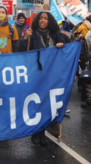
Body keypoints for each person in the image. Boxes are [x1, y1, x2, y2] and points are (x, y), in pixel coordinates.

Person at [21, 12, 65, 145]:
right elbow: (21, 52)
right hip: (36, 75)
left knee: (46, 105)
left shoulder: (54, 35)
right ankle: (36, 132)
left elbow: (66, 44)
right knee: (36, 104)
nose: (42, 20)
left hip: (50, 76)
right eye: (40, 18)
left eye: (45, 19)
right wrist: (25, 39)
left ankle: (43, 132)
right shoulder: (31, 35)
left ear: (49, 21)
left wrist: (61, 44)